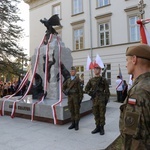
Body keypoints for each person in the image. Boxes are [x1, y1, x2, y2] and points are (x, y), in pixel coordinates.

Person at [119, 44, 150, 150]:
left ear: (134, 59)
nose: (126, 64)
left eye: (127, 60)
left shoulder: (138, 92)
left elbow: (133, 137)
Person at [84, 64, 110, 135]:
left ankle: (102, 128)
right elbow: (86, 89)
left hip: (102, 100)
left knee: (102, 114)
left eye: (97, 69)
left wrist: (105, 100)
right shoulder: (91, 80)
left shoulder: (103, 80)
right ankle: (97, 127)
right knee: (96, 114)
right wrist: (90, 93)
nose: (95, 70)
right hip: (94, 100)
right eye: (95, 69)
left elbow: (107, 91)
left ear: (100, 70)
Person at [62, 66, 83, 130]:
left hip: (76, 98)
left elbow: (80, 91)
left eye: (73, 71)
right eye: (71, 71)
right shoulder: (68, 80)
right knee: (71, 110)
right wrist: (64, 91)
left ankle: (76, 124)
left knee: (76, 111)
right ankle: (73, 123)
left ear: (75, 72)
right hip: (70, 98)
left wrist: (80, 99)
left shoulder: (78, 80)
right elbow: (63, 87)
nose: (71, 72)